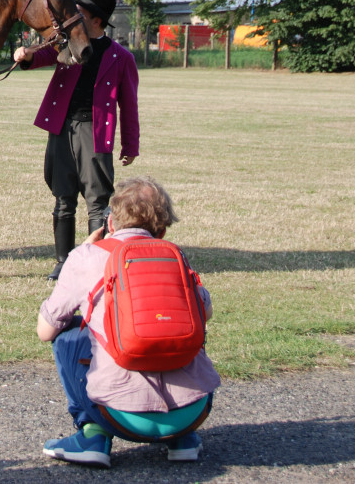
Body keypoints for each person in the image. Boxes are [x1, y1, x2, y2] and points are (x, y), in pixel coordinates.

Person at [36, 177, 221, 469]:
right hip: (193, 411)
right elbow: (205, 312)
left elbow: (45, 331)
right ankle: (182, 439)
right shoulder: (176, 257)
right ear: (161, 230)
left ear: (110, 224)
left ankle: (92, 435)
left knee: (66, 333)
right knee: (184, 324)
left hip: (120, 416)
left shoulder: (87, 256)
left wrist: (78, 256)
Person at [14, 0, 139, 279]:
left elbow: (129, 106)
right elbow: (40, 56)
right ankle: (63, 262)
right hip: (62, 128)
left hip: (94, 133)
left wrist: (130, 145)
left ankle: (97, 263)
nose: (74, 17)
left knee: (98, 200)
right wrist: (26, 55)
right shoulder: (66, 43)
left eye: (80, 13)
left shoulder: (122, 58)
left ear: (96, 20)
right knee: (63, 197)